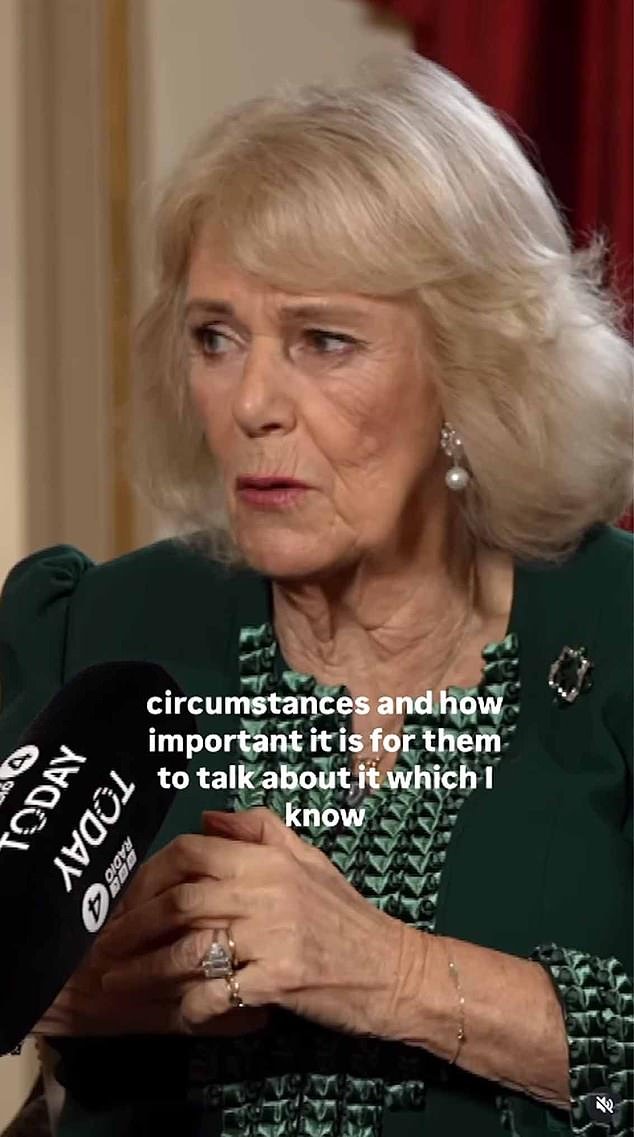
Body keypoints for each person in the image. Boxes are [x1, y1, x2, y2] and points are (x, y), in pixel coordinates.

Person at [0, 52, 631, 1137]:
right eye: (216, 337)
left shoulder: (614, 631)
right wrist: (84, 983)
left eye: (322, 340)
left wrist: (386, 971)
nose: (252, 401)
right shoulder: (95, 629)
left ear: (473, 369)